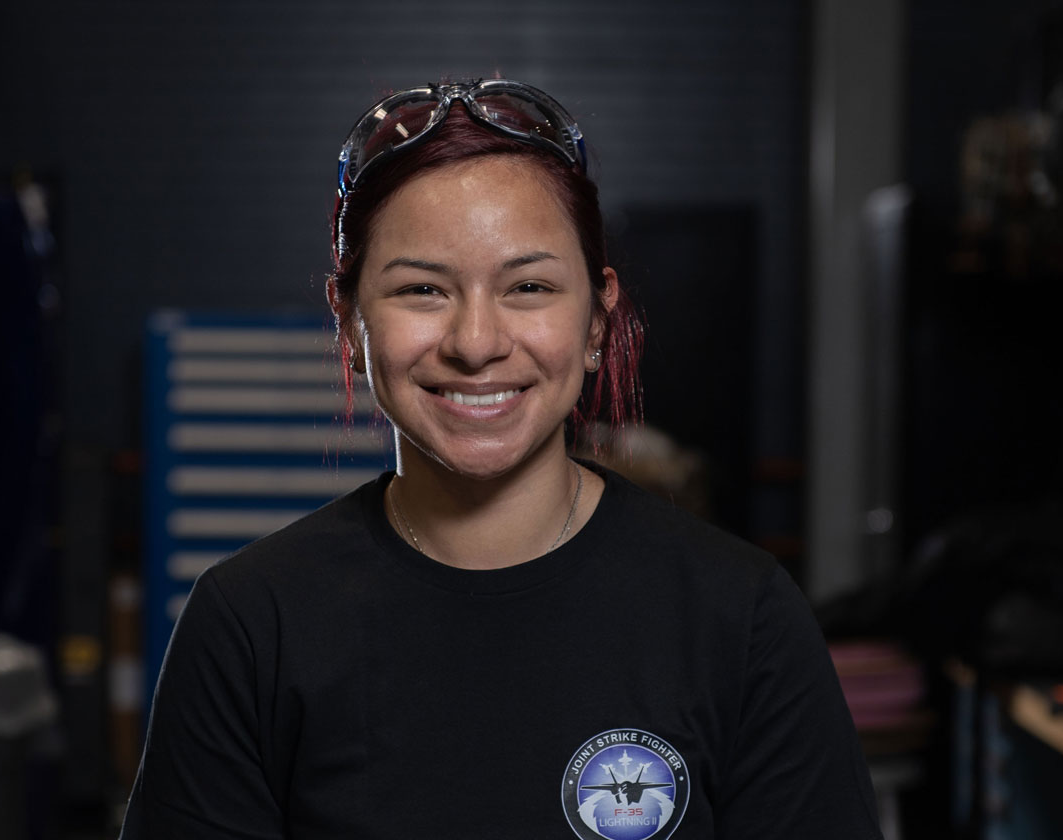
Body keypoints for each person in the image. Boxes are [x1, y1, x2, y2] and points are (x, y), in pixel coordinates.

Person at [120, 79, 880, 839]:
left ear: (595, 321)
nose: (477, 342)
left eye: (528, 286)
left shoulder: (738, 619)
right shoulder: (253, 627)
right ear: (351, 324)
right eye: (422, 289)